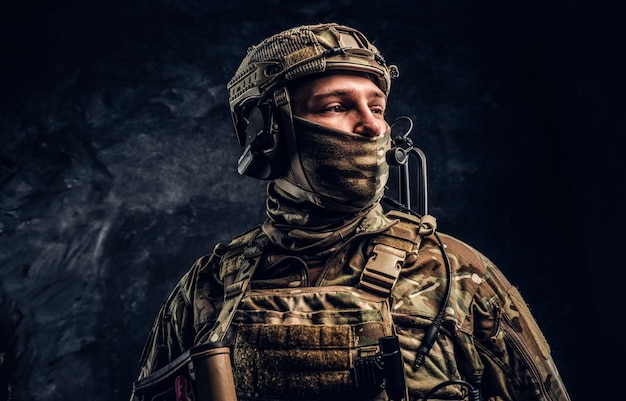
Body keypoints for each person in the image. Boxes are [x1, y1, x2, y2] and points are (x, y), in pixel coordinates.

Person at [130, 23, 570, 401]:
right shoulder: (206, 289)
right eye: (337, 106)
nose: (373, 125)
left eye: (377, 107)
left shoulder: (456, 275)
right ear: (268, 133)